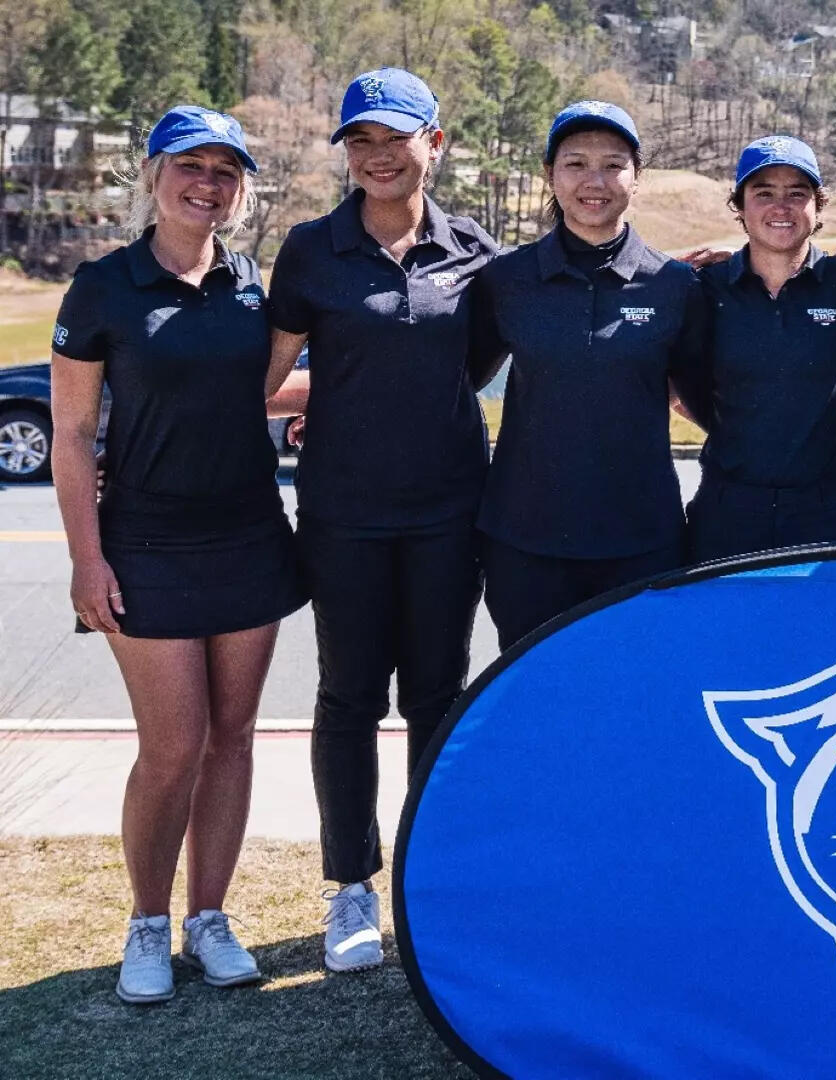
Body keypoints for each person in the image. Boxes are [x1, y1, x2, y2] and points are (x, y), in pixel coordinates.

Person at [50, 107, 304, 1002]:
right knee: (174, 747)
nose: (208, 183)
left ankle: (210, 917)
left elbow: (254, 392)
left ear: (241, 190)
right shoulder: (102, 287)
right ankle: (148, 924)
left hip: (250, 539)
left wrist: (350, 400)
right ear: (153, 174)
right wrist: (86, 560)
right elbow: (72, 435)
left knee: (233, 739)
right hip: (145, 543)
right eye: (191, 165)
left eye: (226, 171)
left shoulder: (251, 285)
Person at [266, 68, 497, 973]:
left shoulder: (474, 251)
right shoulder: (310, 250)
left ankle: (428, 880)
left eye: (394, 140)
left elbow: (474, 367)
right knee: (350, 698)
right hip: (344, 515)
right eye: (359, 142)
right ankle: (353, 888)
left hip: (449, 512)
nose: (376, 157)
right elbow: (268, 371)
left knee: (437, 698)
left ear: (434, 144)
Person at [468, 101, 712, 643]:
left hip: (642, 542)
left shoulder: (675, 286)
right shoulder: (507, 280)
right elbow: (459, 382)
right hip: (525, 542)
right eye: (576, 164)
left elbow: (706, 404)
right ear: (549, 175)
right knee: (534, 687)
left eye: (613, 165)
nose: (594, 181)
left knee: (635, 685)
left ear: (636, 177)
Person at [688, 136, 836, 562]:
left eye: (796, 193)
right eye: (764, 193)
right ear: (740, 205)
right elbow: (671, 388)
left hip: (824, 511)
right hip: (726, 509)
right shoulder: (704, 288)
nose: (781, 207)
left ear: (818, 205)